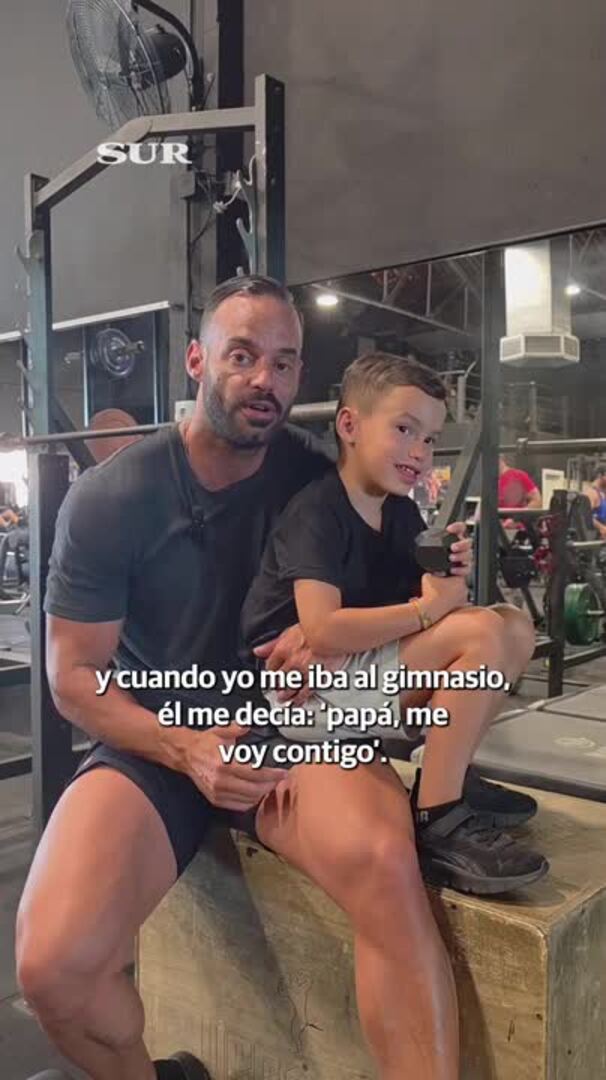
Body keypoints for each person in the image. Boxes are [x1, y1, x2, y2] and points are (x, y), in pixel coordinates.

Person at [15, 275, 539, 1080]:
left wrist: (369, 617)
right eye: (243, 355)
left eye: (286, 362)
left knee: (384, 863)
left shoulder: (320, 477)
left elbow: (410, 604)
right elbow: (73, 678)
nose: (266, 379)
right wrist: (186, 747)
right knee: (53, 968)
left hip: (295, 729)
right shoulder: (112, 496)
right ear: (197, 361)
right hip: (161, 739)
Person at [242, 352, 547, 895]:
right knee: (480, 632)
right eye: (404, 429)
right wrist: (430, 608)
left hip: (348, 675)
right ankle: (438, 817)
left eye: (429, 439)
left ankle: (447, 775)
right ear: (350, 426)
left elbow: (426, 611)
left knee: (513, 625)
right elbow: (324, 632)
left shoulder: (400, 512)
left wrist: (446, 578)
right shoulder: (317, 511)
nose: (420, 452)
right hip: (296, 697)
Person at [586, 462, 606, 539]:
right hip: (596, 539)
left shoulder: (603, 492)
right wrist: (602, 528)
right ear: (600, 475)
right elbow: (585, 517)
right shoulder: (591, 493)